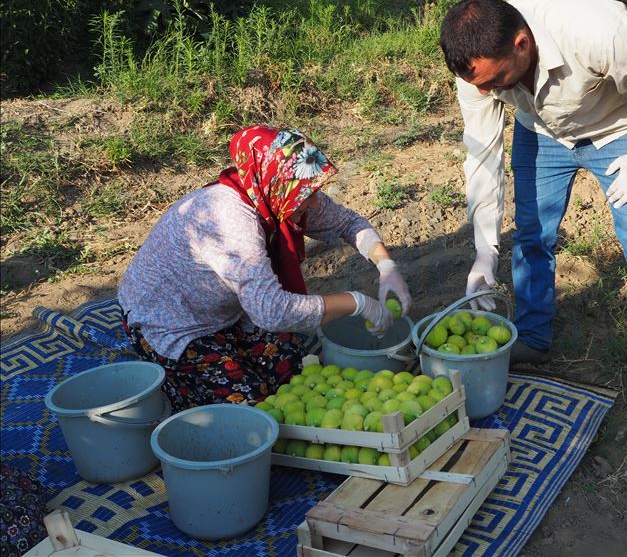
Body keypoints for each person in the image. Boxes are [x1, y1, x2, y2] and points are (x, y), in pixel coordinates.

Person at [439, 0, 627, 405]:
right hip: (543, 135)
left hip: (619, 130)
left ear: (522, 44)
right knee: (532, 236)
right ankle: (533, 338)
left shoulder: (593, 30)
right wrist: (485, 252)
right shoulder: (477, 71)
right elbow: (482, 155)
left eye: (497, 81)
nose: (488, 92)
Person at [118, 125, 412, 411]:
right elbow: (271, 312)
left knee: (292, 372)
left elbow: (347, 222)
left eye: (312, 191)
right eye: (305, 193)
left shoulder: (277, 193)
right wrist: (356, 303)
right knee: (250, 410)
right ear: (276, 182)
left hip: (230, 311)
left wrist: (386, 266)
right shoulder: (232, 220)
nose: (312, 201)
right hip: (173, 322)